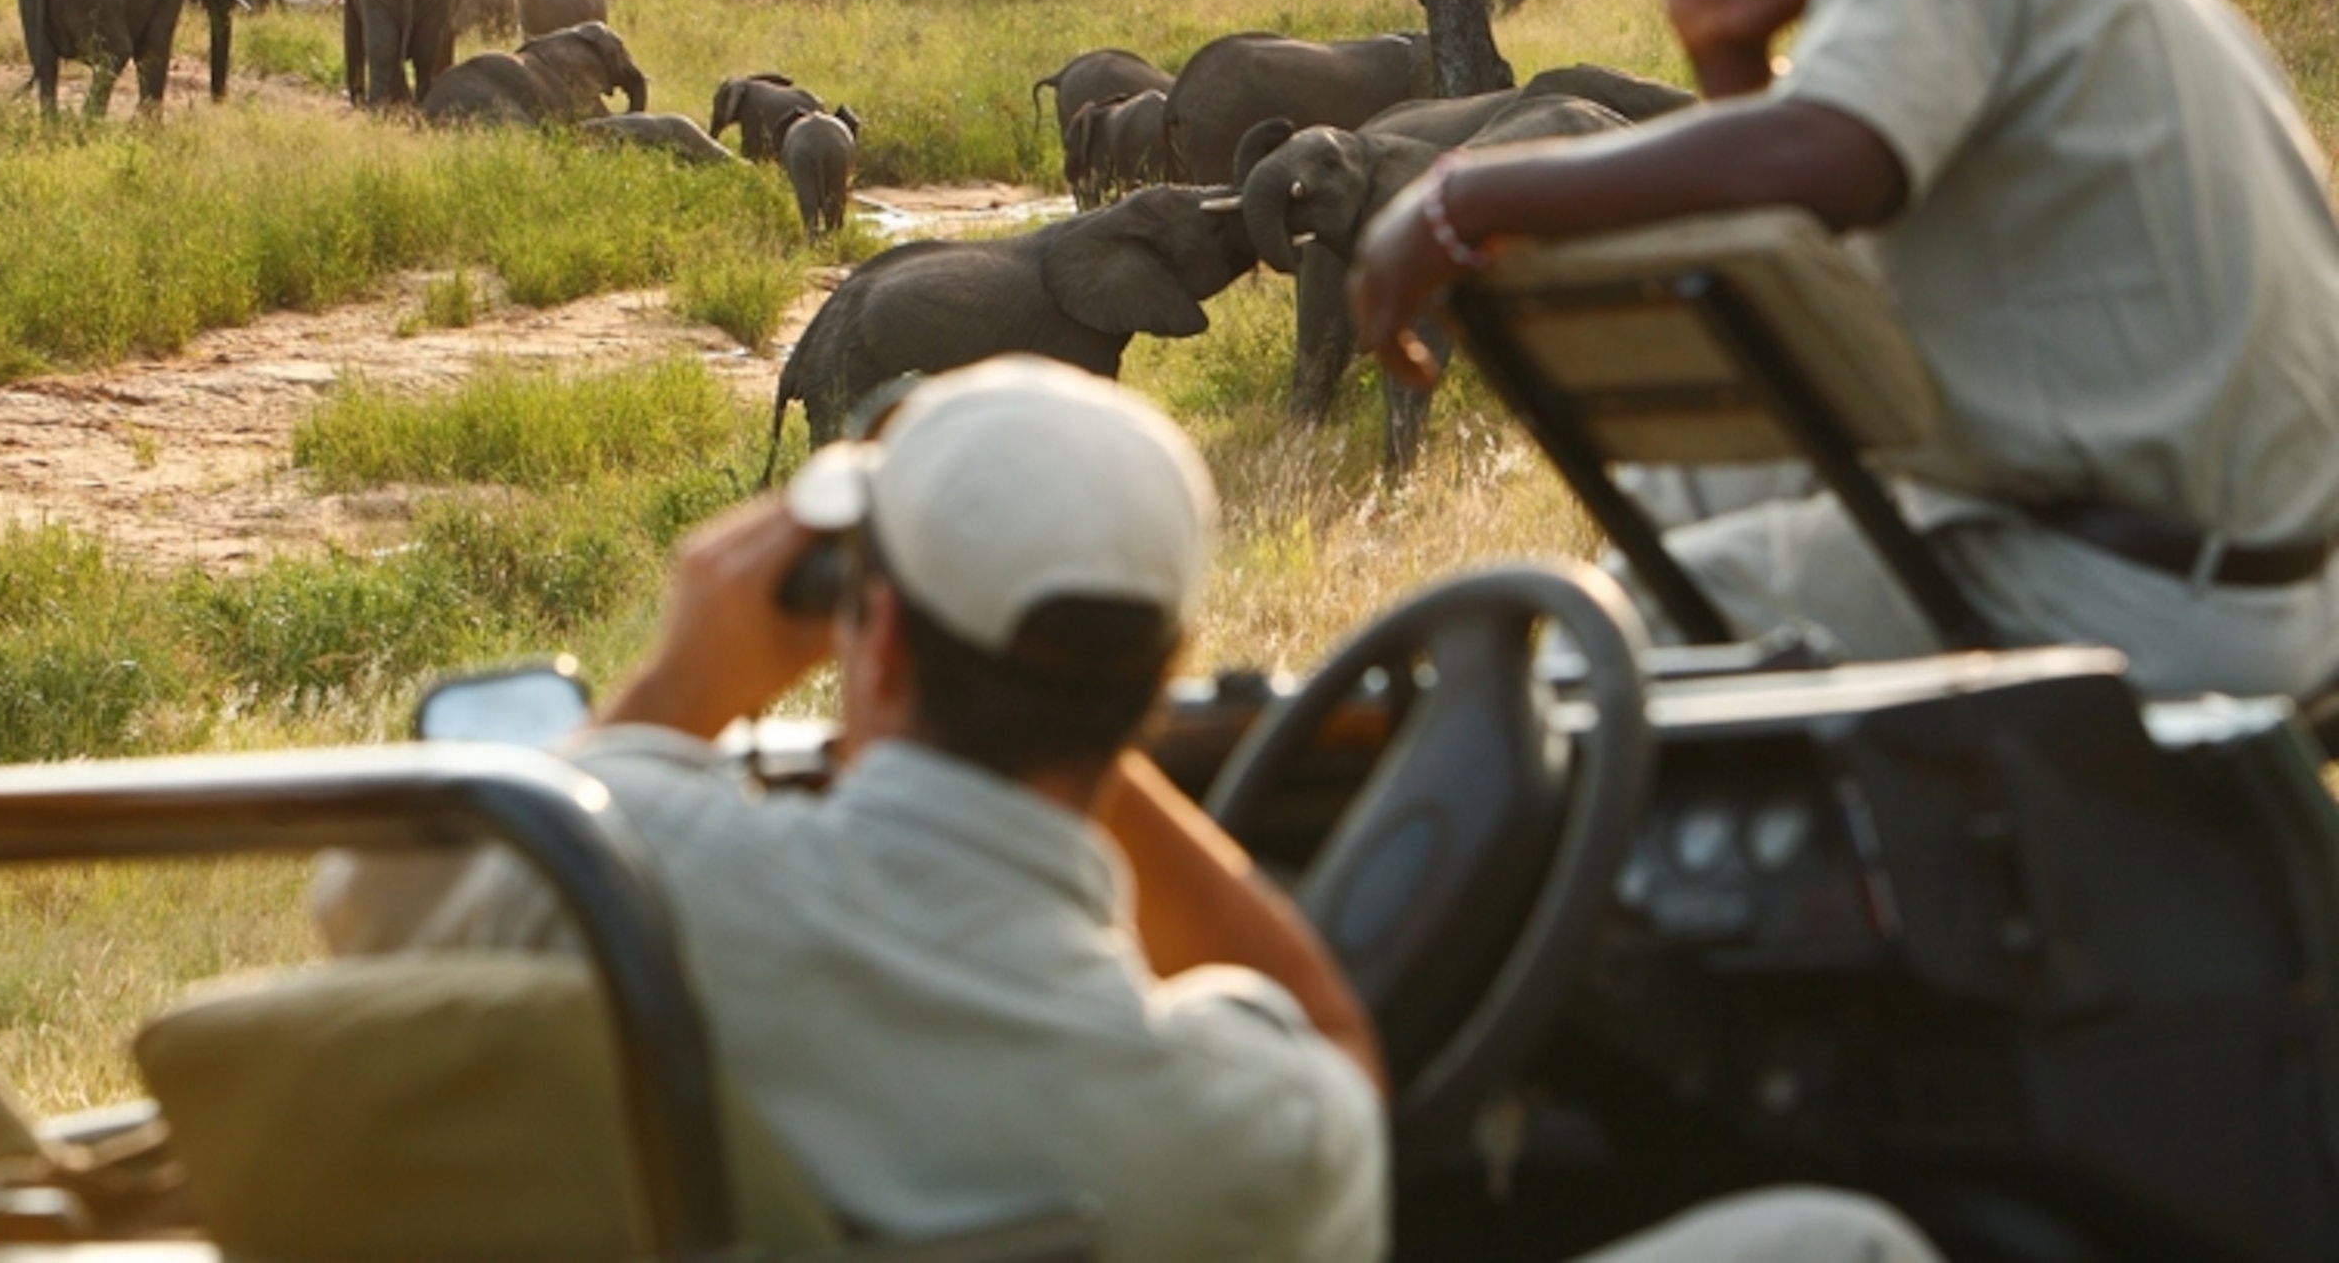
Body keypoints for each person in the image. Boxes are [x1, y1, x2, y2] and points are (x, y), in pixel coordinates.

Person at [324, 356, 1932, 1263]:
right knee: (1835, 1238)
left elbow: (370, 912)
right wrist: (1110, 751)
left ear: (863, 629)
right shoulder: (1234, 1127)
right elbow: (1346, 1078)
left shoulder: (624, 866)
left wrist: (678, 682)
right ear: (1155, 679)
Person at [1350, 0, 2339, 696]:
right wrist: (1731, 56)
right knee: (1698, 484)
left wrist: (1464, 193)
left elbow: (1829, 162)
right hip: (2251, 579)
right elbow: (1822, 252)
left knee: (1620, 643)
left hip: (2131, 590)